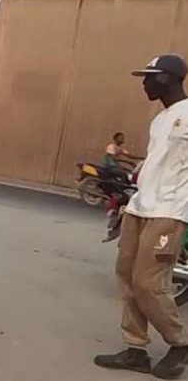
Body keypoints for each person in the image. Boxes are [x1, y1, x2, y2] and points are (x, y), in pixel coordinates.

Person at [95, 54, 188, 379]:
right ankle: (136, 348)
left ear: (167, 78)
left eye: (149, 77)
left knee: (149, 282)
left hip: (170, 211)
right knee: (126, 276)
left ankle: (180, 344)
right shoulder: (161, 120)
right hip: (140, 207)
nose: (144, 83)